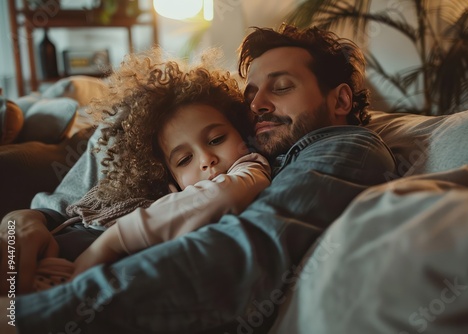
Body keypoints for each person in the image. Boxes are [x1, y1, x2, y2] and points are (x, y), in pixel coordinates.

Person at [0, 24, 396, 333]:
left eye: (281, 87)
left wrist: (35, 316)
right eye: (252, 94)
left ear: (341, 100)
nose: (257, 104)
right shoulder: (249, 150)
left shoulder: (346, 147)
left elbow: (244, 251)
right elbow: (67, 201)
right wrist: (24, 222)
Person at [4, 48, 272, 291]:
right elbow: (54, 210)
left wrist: (107, 245)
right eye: (183, 160)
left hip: (69, 271)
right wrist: (25, 221)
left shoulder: (249, 168)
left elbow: (223, 194)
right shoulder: (140, 174)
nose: (206, 159)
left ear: (240, 130)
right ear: (168, 174)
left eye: (216, 140)